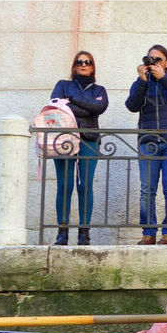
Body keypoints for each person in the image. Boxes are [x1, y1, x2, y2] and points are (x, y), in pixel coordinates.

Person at [125, 44, 167, 246]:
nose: (153, 63)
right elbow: (131, 105)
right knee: (147, 190)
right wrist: (141, 81)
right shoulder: (142, 82)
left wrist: (164, 77)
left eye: (158, 60)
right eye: (150, 59)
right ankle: (148, 233)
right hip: (148, 142)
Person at [49, 51, 109, 246]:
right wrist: (88, 106)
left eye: (88, 62)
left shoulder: (100, 89)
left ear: (93, 67)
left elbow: (99, 108)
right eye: (79, 62)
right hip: (64, 138)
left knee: (85, 185)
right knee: (65, 186)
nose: (84, 64)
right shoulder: (62, 85)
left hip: (89, 139)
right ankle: (62, 232)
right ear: (74, 66)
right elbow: (57, 106)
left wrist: (72, 100)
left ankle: (84, 233)